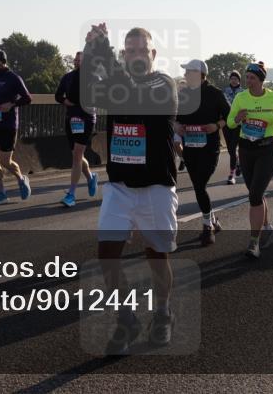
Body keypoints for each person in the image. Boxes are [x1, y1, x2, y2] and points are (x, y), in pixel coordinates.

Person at [82, 24, 179, 353]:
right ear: (125, 55)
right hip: (120, 186)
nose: (137, 56)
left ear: (153, 55)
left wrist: (103, 48)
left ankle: (163, 313)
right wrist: (94, 49)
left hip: (156, 186)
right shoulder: (116, 82)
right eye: (130, 51)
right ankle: (126, 318)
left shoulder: (164, 84)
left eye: (142, 50)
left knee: (156, 255)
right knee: (106, 255)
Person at [225, 62, 273, 258]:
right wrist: (238, 117)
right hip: (246, 150)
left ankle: (254, 243)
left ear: (261, 80)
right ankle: (267, 226)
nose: (248, 81)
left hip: (268, 150)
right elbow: (229, 122)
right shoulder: (241, 97)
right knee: (257, 192)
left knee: (254, 196)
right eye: (247, 78)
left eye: (252, 78)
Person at [176, 59, 230, 246]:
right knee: (199, 186)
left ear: (199, 74)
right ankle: (213, 221)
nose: (184, 75)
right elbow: (174, 118)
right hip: (190, 148)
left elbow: (230, 116)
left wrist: (216, 125)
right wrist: (177, 126)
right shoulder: (183, 95)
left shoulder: (215, 94)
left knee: (200, 185)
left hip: (210, 148)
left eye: (188, 72)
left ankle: (207, 226)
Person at [0, 49, 32, 205]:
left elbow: (27, 98)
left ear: (3, 62)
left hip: (8, 125)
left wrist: (11, 104)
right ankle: (1, 193)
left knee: (5, 161)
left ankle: (21, 179)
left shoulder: (14, 78)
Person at [54, 51, 98, 207]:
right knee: (76, 155)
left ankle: (71, 193)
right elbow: (58, 95)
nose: (77, 62)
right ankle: (91, 177)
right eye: (76, 60)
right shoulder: (68, 77)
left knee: (77, 155)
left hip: (86, 119)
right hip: (71, 119)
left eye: (81, 60)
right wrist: (65, 101)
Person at [222, 71, 244, 184]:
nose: (234, 80)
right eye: (232, 78)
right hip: (226, 123)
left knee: (233, 146)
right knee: (231, 150)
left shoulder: (244, 92)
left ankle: (231, 175)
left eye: (236, 78)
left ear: (239, 80)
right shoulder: (224, 91)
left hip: (238, 124)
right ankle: (238, 164)